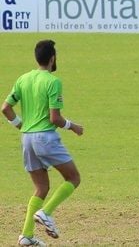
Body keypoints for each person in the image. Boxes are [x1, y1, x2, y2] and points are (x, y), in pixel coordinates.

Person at [2, 40, 84, 247]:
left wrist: (22, 125)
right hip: (45, 138)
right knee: (73, 177)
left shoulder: (23, 79)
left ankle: (26, 235)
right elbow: (55, 118)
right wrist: (73, 127)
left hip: (27, 139)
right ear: (52, 58)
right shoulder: (52, 82)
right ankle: (46, 212)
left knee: (41, 187)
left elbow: (5, 108)